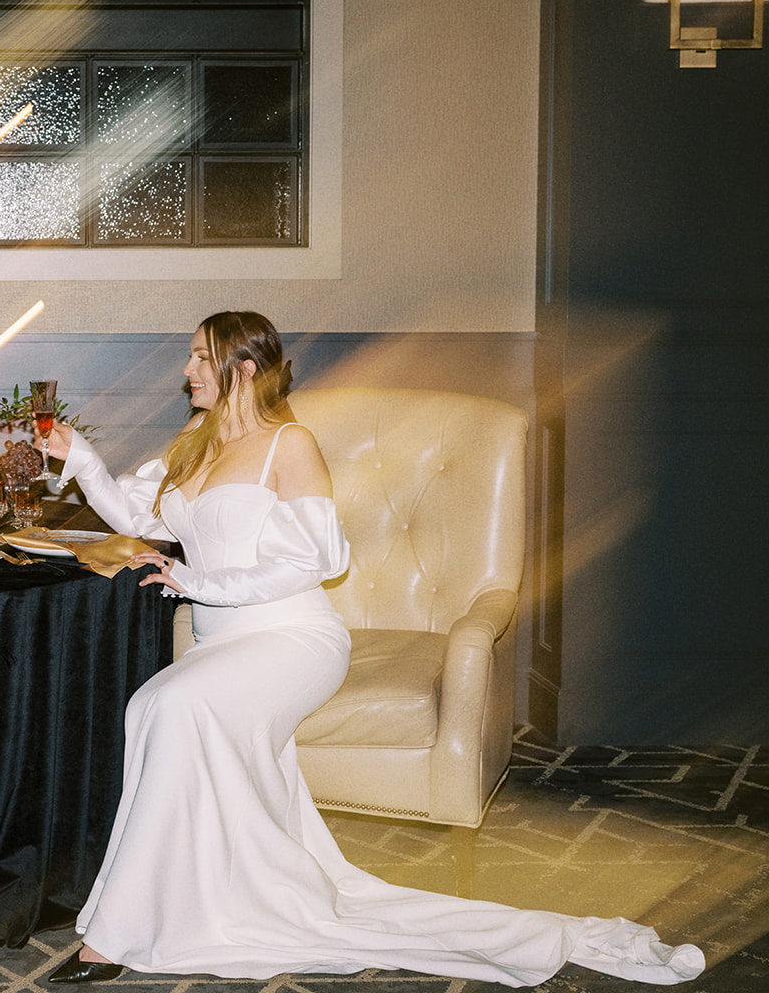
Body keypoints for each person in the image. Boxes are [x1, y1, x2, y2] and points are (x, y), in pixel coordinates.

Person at [41, 310, 703, 987]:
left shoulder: (288, 445)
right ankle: (194, 898)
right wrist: (84, 462)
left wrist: (198, 580)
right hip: (220, 641)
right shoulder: (196, 440)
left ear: (242, 369)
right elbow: (141, 518)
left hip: (290, 637)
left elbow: (317, 561)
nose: (186, 372)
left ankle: (111, 938)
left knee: (176, 705)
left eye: (199, 360)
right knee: (147, 706)